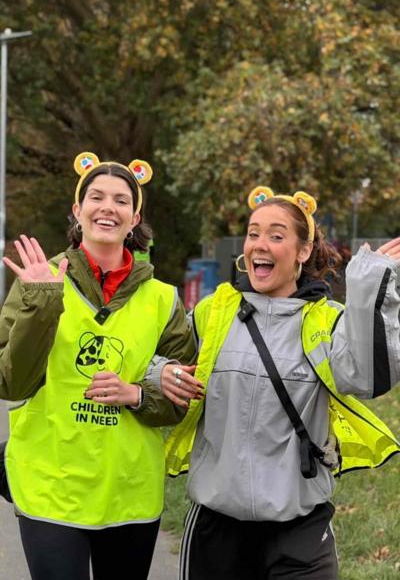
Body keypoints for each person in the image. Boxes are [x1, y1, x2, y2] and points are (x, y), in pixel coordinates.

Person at [161, 185, 400, 580]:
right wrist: (161, 374)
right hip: (217, 529)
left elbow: (368, 377)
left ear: (303, 252)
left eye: (276, 235)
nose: (259, 244)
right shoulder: (213, 313)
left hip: (300, 530)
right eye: (253, 233)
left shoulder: (327, 322)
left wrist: (368, 293)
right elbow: (161, 357)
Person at [0, 151, 196, 580]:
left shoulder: (162, 298)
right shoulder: (39, 280)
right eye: (96, 197)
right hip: (50, 486)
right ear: (78, 210)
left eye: (121, 200)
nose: (108, 207)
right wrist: (41, 303)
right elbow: (10, 383)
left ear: (134, 217)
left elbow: (184, 396)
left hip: (129, 491)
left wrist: (138, 394)